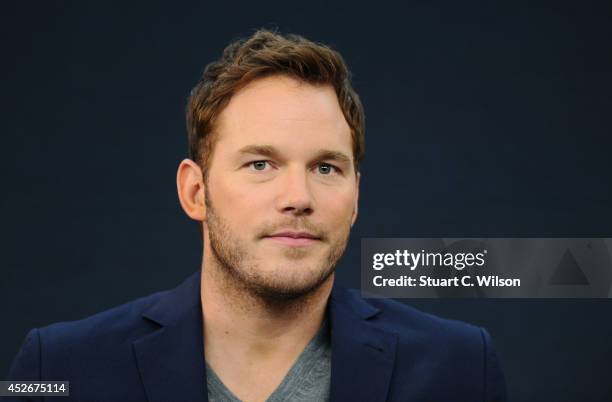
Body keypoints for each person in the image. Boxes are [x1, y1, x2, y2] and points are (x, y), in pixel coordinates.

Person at [6, 30, 507, 402]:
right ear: (195, 191)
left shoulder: (460, 368)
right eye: (261, 164)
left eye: (326, 167)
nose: (298, 196)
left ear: (355, 199)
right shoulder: (59, 367)